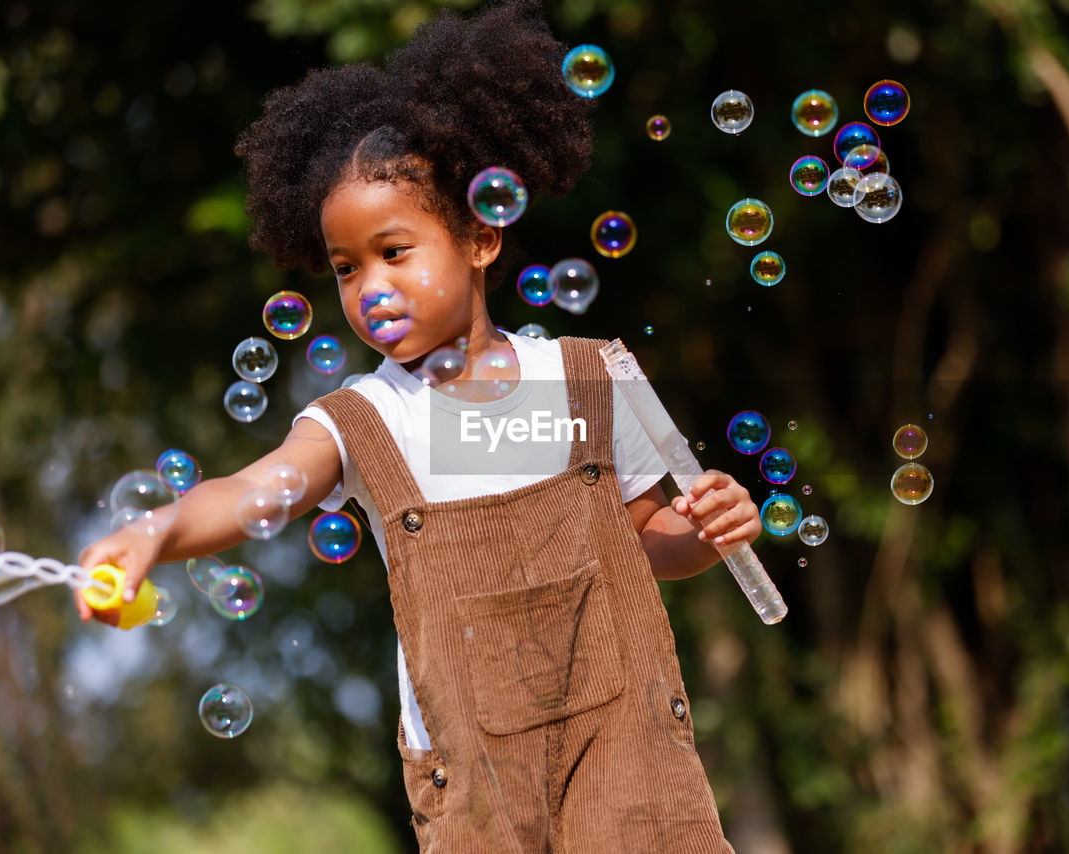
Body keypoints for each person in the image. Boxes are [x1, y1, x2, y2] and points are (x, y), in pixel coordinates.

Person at [77, 1, 760, 850]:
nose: (370, 287)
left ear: (479, 238)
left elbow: (645, 539)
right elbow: (257, 490)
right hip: (475, 785)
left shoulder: (589, 376)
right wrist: (155, 530)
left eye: (394, 252)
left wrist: (707, 531)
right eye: (345, 268)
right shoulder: (364, 418)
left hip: (629, 763)